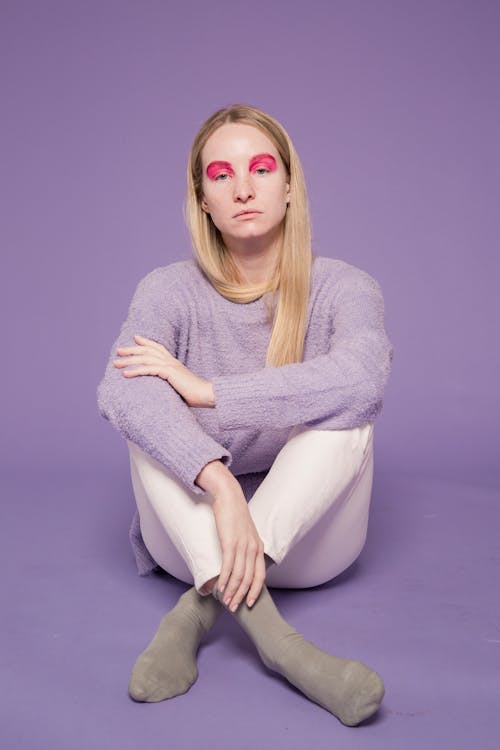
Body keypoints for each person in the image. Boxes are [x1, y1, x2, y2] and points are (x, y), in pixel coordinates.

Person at [97, 104, 393, 726]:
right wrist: (222, 483)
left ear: (289, 186)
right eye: (222, 174)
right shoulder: (167, 289)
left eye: (260, 168)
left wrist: (209, 392)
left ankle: (198, 613)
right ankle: (279, 643)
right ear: (202, 198)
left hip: (310, 547)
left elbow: (363, 378)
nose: (244, 187)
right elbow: (121, 393)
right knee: (144, 410)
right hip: (195, 539)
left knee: (349, 415)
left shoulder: (345, 286)